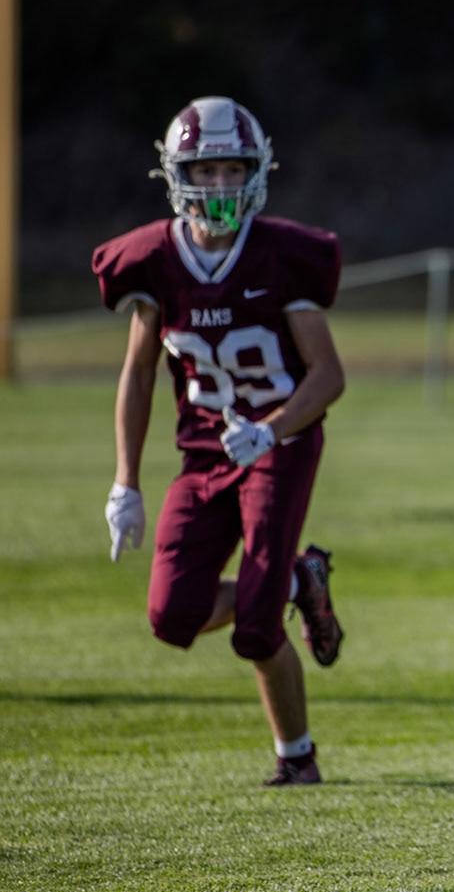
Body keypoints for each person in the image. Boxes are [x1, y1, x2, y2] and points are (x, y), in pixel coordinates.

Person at [93, 96, 345, 787]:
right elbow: (139, 374)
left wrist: (269, 428)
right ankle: (298, 579)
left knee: (257, 630)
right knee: (169, 615)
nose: (221, 186)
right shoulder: (152, 260)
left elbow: (328, 376)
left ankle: (297, 759)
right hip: (204, 452)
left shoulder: (284, 256)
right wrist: (125, 481)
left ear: (258, 172)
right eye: (206, 171)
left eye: (234, 170)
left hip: (280, 444)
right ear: (178, 176)